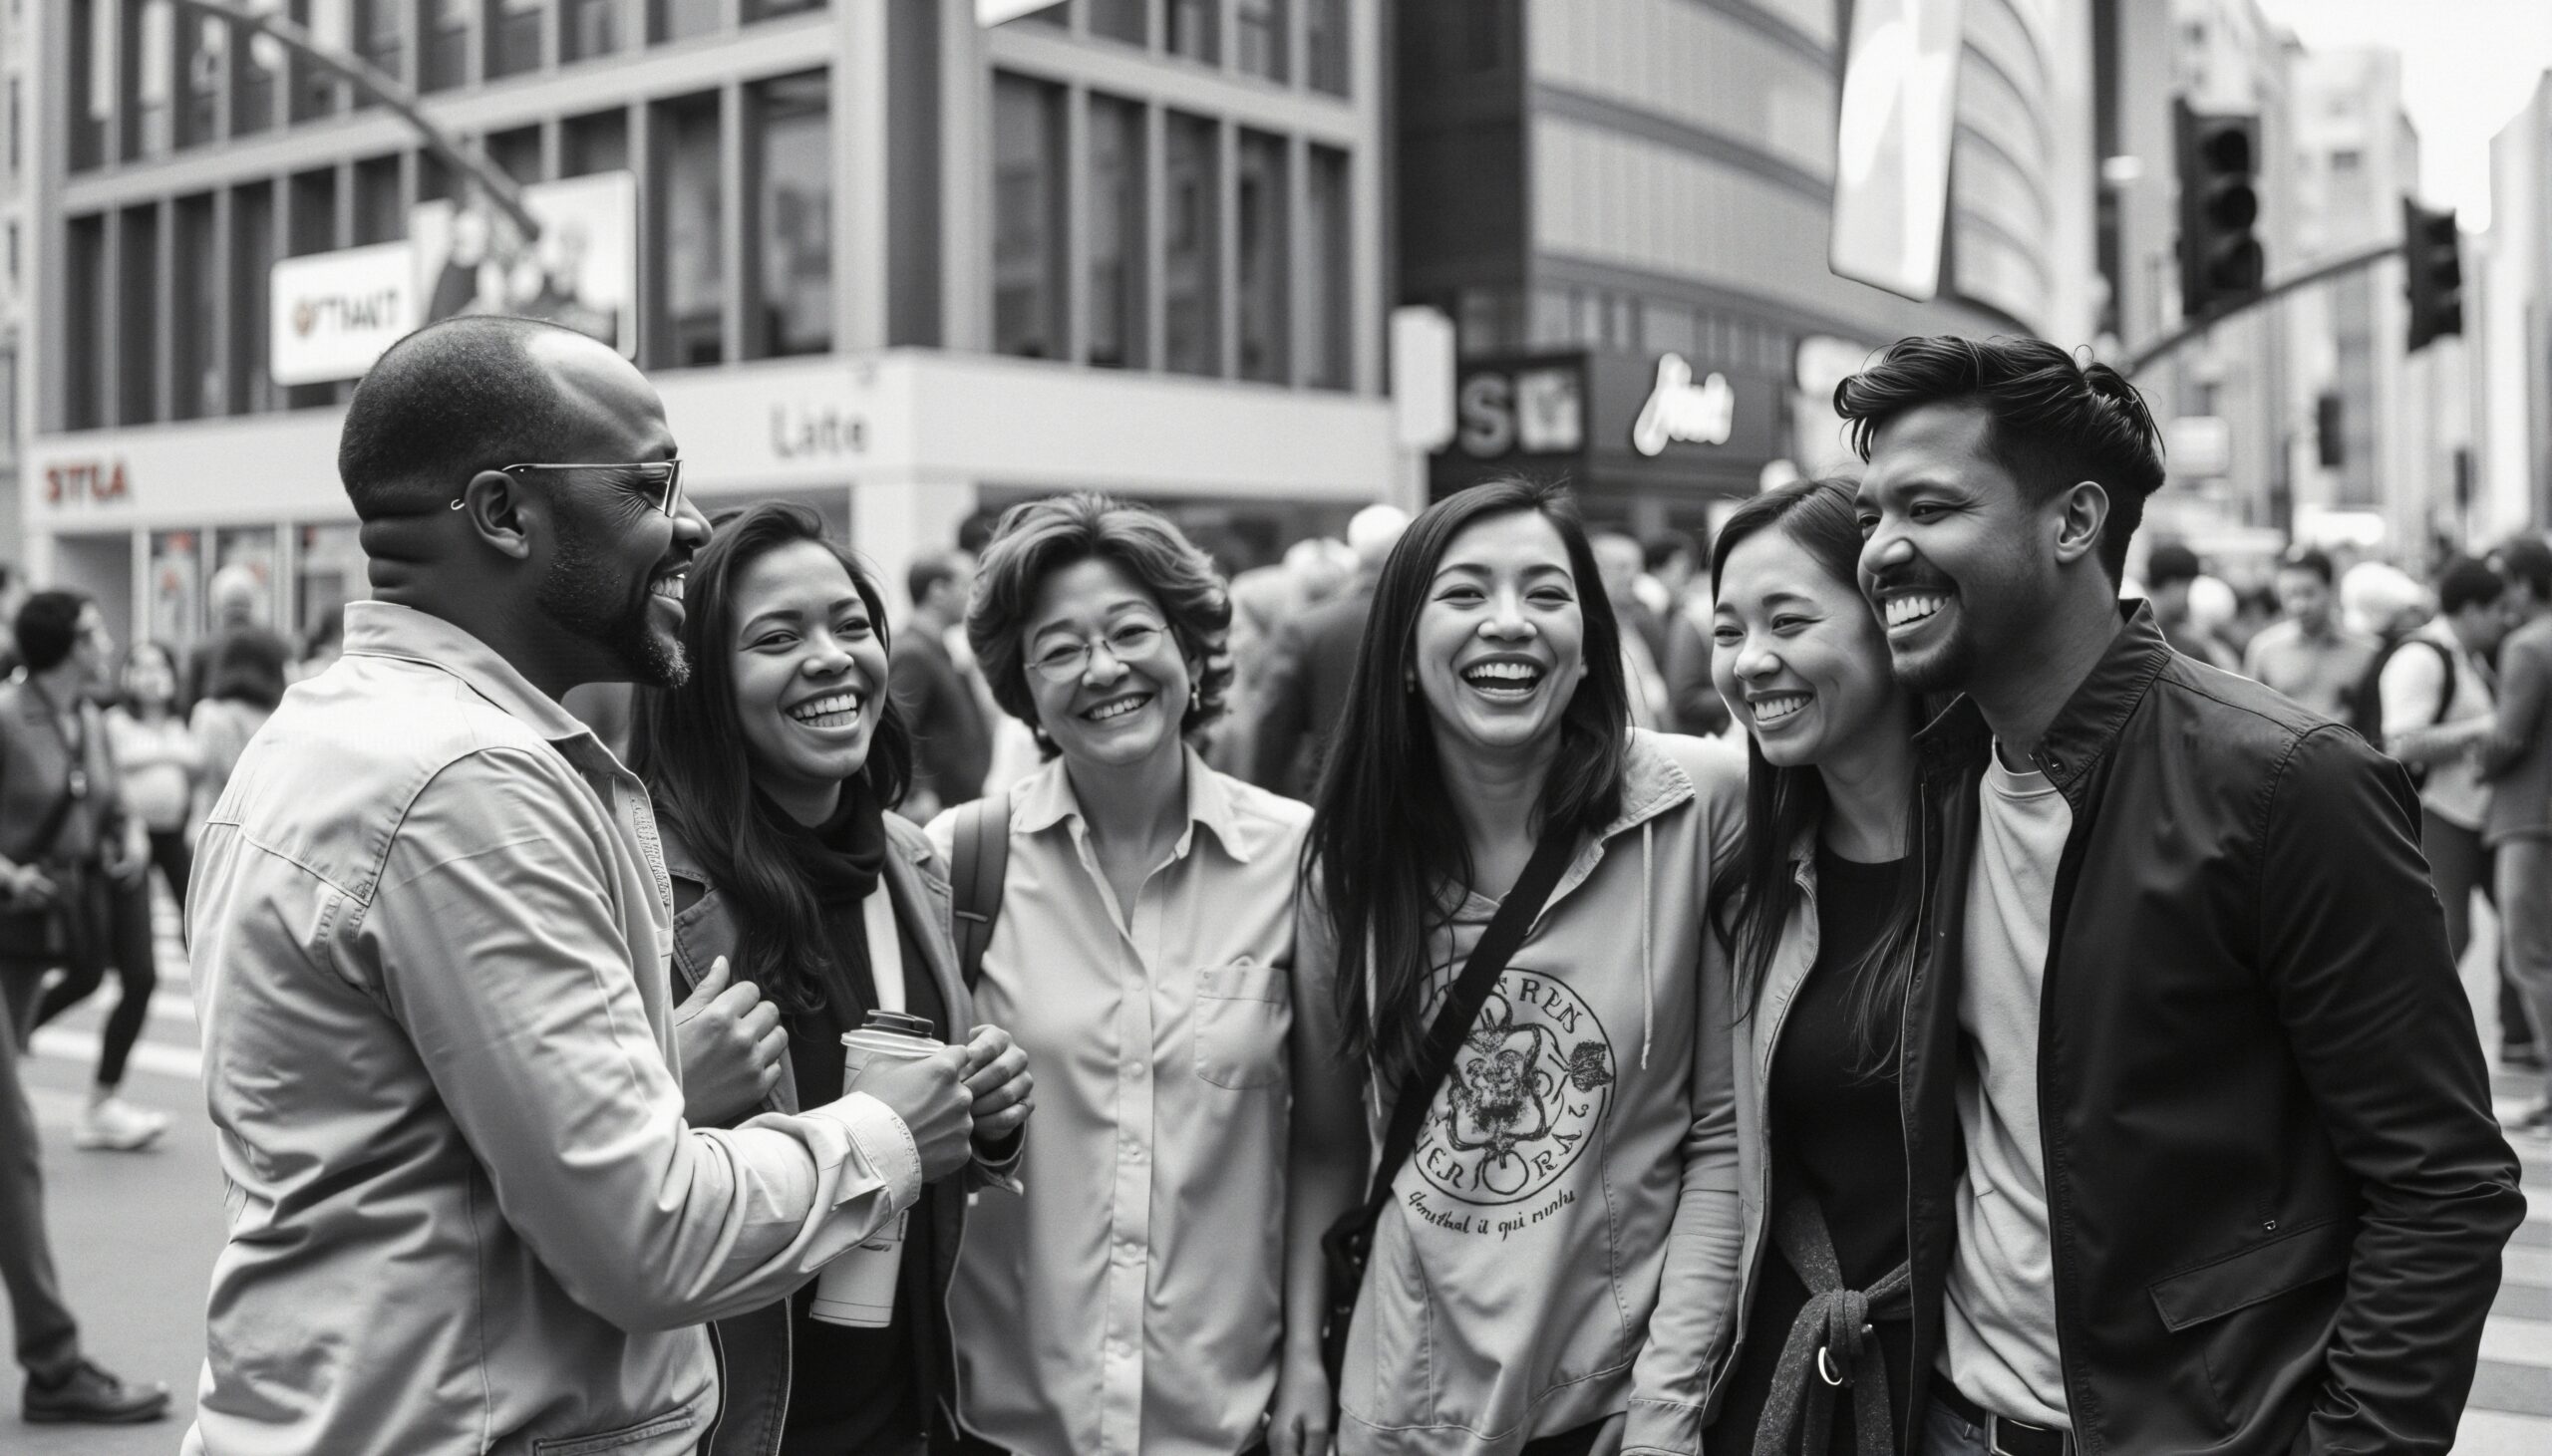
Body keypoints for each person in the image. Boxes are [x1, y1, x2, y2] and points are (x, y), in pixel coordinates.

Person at [182, 315, 979, 1456]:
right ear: (505, 514)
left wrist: (657, 1090)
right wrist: (882, 1134)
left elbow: (437, 1155)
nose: (690, 524)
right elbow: (648, 1241)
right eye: (650, 484)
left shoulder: (341, 737)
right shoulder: (466, 785)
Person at [1839, 334, 2523, 1455]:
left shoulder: (2285, 783)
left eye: (1927, 507)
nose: (1881, 550)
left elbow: (2443, 1186)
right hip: (1954, 1423)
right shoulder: (1933, 769)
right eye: (1872, 514)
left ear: (2073, 523)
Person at [1288, 477, 1746, 1456]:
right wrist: (1300, 1358)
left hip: (1617, 1408)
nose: (1507, 624)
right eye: (1464, 595)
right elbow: (1328, 1147)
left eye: (1545, 594)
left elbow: (1720, 1135)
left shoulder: (1696, 804)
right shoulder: (1348, 868)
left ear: (1588, 645)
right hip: (1404, 1405)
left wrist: (1669, 1401)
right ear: (1403, 651)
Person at [631, 501, 1036, 1456]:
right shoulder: (636, 880)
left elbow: (909, 1130)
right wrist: (669, 1089)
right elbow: (561, 1166)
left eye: (851, 624)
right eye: (777, 637)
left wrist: (987, 1121)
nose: (830, 657)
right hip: (734, 1425)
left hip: (903, 1411)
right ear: (703, 680)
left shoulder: (914, 861)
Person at [931, 493, 1311, 1456]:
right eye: (1059, 649)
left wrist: (1309, 1355)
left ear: (1189, 648)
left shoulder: (1300, 862)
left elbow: (1328, 1147)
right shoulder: (958, 865)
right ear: (1024, 687)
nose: (1103, 669)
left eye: (1132, 631)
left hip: (1229, 1420)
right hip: (1010, 1422)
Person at [1702, 479, 1924, 1456]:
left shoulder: (2026, 851)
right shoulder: (1743, 886)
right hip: (1800, 1390)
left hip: (1991, 1394)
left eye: (1787, 620)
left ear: (1889, 620)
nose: (1751, 662)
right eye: (1724, 630)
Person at [0, 590, 170, 1428]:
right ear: (66, 642)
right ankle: (54, 1361)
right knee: (11, 1148)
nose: (110, 641)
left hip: (41, 935)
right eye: (98, 630)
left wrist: (125, 836)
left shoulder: (89, 720)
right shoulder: (6, 714)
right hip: (11, 916)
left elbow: (108, 804)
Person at [26, 638, 197, 1154]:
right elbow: (104, 791)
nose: (149, 676)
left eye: (159, 666)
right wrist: (128, 828)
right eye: (138, 667)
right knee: (90, 972)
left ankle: (101, 1103)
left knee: (155, 969)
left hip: (168, 845)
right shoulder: (108, 724)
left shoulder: (183, 722)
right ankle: (18, 1032)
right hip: (114, 854)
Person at [2363, 558, 2504, 974]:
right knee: (2447, 934)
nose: (2504, 620)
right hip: (2438, 811)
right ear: (2473, 609)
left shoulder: (2467, 656)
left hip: (2470, 811)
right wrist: (2487, 728)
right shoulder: (2422, 657)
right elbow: (2402, 743)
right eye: (2498, 609)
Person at [1249, 502, 1410, 799]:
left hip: (1335, 799)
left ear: (1355, 552)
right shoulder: (1426, 622)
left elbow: (1274, 729)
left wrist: (1263, 801)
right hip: (1422, 800)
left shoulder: (1308, 627)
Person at [2480, 534, 2552, 1130]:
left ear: (2524, 585)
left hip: (2531, 814)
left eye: (2500, 580)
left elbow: (2507, 738)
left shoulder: (2528, 644)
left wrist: (2477, 766)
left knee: (2531, 958)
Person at [890, 552, 994, 821]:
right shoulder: (913, 653)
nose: (974, 597)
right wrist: (917, 791)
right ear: (937, 590)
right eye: (967, 585)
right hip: (934, 813)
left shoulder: (939, 649)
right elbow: (897, 728)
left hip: (958, 808)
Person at [2240, 547, 2378, 719]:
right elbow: (2250, 716)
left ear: (2331, 590)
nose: (2299, 605)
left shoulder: (2366, 650)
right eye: (2289, 595)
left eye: (2309, 593)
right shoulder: (2264, 650)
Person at [187, 626, 288, 811]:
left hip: (216, 819)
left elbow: (202, 769)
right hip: (266, 819)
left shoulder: (210, 712)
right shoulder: (281, 715)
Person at [181, 563, 292, 713]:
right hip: (266, 723)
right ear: (253, 600)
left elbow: (190, 701)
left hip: (216, 726)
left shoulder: (203, 647)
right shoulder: (275, 643)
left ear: (216, 603)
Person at [1593, 531, 1672, 729]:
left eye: (1637, 567)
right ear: (1594, 572)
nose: (1633, 576)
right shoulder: (1586, 637)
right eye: (1622, 567)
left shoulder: (1633, 626)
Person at [2136, 541, 2230, 668]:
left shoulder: (2125, 630)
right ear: (2172, 585)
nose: (2190, 599)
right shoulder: (2185, 645)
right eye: (2189, 586)